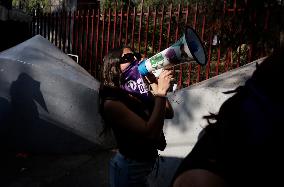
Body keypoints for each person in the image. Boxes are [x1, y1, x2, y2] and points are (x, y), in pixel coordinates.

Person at [171, 46, 284, 187]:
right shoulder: (205, 177)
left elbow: (167, 114)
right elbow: (150, 131)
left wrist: (160, 94)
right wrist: (158, 94)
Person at [99, 46, 174, 187]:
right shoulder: (111, 103)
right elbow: (151, 133)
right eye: (128, 58)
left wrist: (154, 83)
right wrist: (162, 91)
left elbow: (168, 112)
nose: (135, 60)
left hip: (143, 167)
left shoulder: (138, 91)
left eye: (136, 56)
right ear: (113, 66)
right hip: (129, 169)